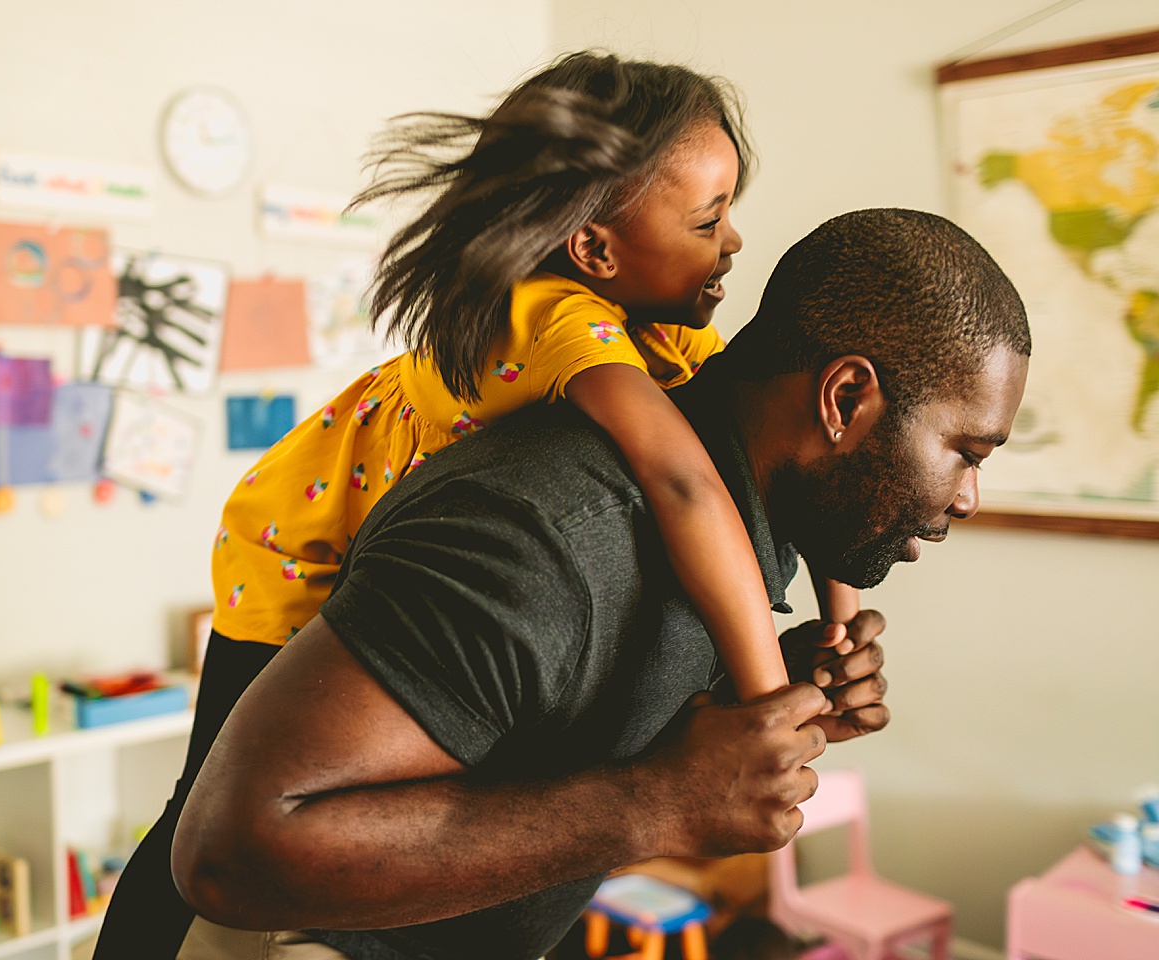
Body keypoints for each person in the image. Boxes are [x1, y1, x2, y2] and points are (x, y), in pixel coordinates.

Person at [166, 208, 1031, 960]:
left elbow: (529, 743)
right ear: (845, 400)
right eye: (967, 451)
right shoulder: (548, 534)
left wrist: (750, 698)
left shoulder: (754, 522)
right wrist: (661, 802)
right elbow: (233, 852)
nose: (968, 498)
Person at [210, 51, 857, 708]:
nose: (734, 240)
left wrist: (842, 628)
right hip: (290, 558)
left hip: (394, 559)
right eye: (708, 221)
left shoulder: (665, 324)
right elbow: (684, 482)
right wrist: (768, 709)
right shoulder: (556, 321)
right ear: (595, 251)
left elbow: (780, 435)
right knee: (217, 793)